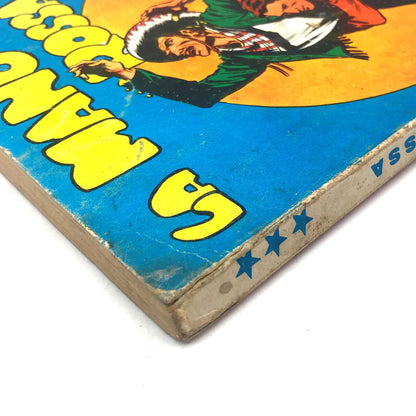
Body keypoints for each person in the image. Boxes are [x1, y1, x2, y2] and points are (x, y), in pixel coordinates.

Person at [69, 0, 387, 107]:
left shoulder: (221, 13)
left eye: (168, 45)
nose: (178, 54)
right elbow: (202, 95)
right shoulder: (241, 60)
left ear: (182, 29)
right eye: (172, 57)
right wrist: (124, 72)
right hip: (363, 12)